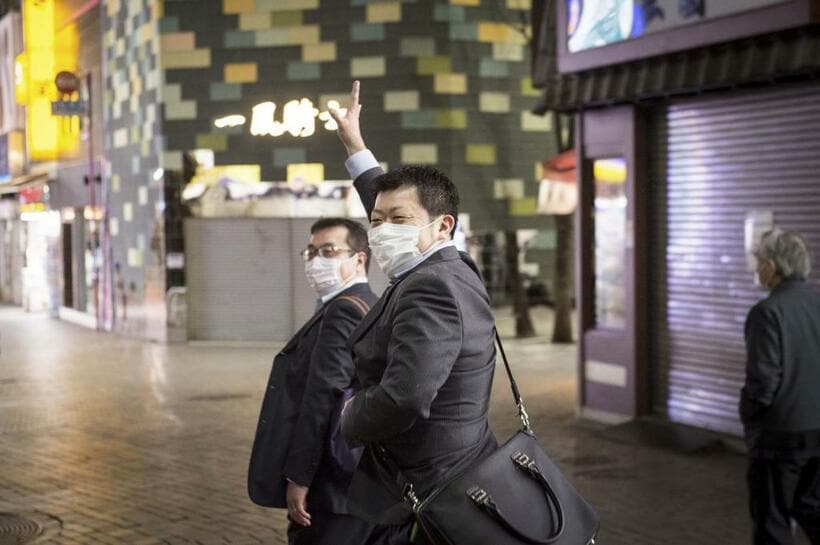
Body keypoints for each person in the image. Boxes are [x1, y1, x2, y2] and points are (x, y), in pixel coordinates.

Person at [329, 81, 498, 544]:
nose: (381, 232)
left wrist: (349, 416)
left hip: (428, 494)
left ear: (442, 225)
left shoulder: (431, 288)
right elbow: (393, 205)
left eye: (397, 221)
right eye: (375, 222)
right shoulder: (446, 263)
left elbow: (405, 396)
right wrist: (356, 148)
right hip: (452, 471)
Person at [248, 217, 378, 545]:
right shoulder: (369, 303)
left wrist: (300, 477)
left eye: (329, 251)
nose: (316, 261)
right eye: (311, 252)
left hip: (331, 484)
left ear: (359, 258)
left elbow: (323, 396)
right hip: (357, 482)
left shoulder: (342, 312)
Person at [741, 229, 820, 545]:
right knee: (811, 506)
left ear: (772, 267)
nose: (755, 269)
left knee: (772, 520)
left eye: (758, 262)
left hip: (780, 434)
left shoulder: (767, 312)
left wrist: (750, 416)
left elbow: (763, 381)